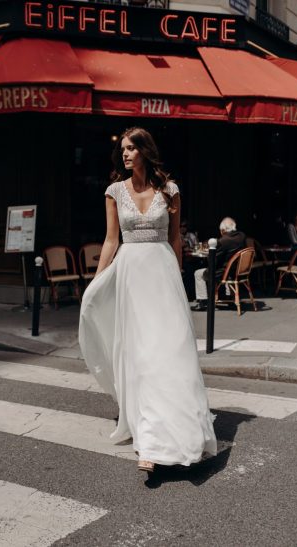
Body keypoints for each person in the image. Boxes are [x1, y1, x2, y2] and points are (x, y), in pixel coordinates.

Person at [79, 127, 217, 473]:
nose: (124, 154)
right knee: (140, 354)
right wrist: (96, 283)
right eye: (122, 149)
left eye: (131, 149)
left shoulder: (170, 191)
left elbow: (175, 241)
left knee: (169, 352)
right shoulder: (113, 192)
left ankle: (177, 433)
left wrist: (179, 284)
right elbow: (111, 241)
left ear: (145, 151)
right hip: (130, 277)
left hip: (162, 277)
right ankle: (150, 442)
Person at [191, 217, 246, 311]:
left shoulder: (223, 241)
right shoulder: (241, 236)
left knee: (198, 273)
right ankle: (230, 298)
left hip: (224, 272)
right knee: (226, 266)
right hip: (237, 270)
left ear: (223, 230)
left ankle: (203, 302)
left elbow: (213, 262)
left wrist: (209, 254)